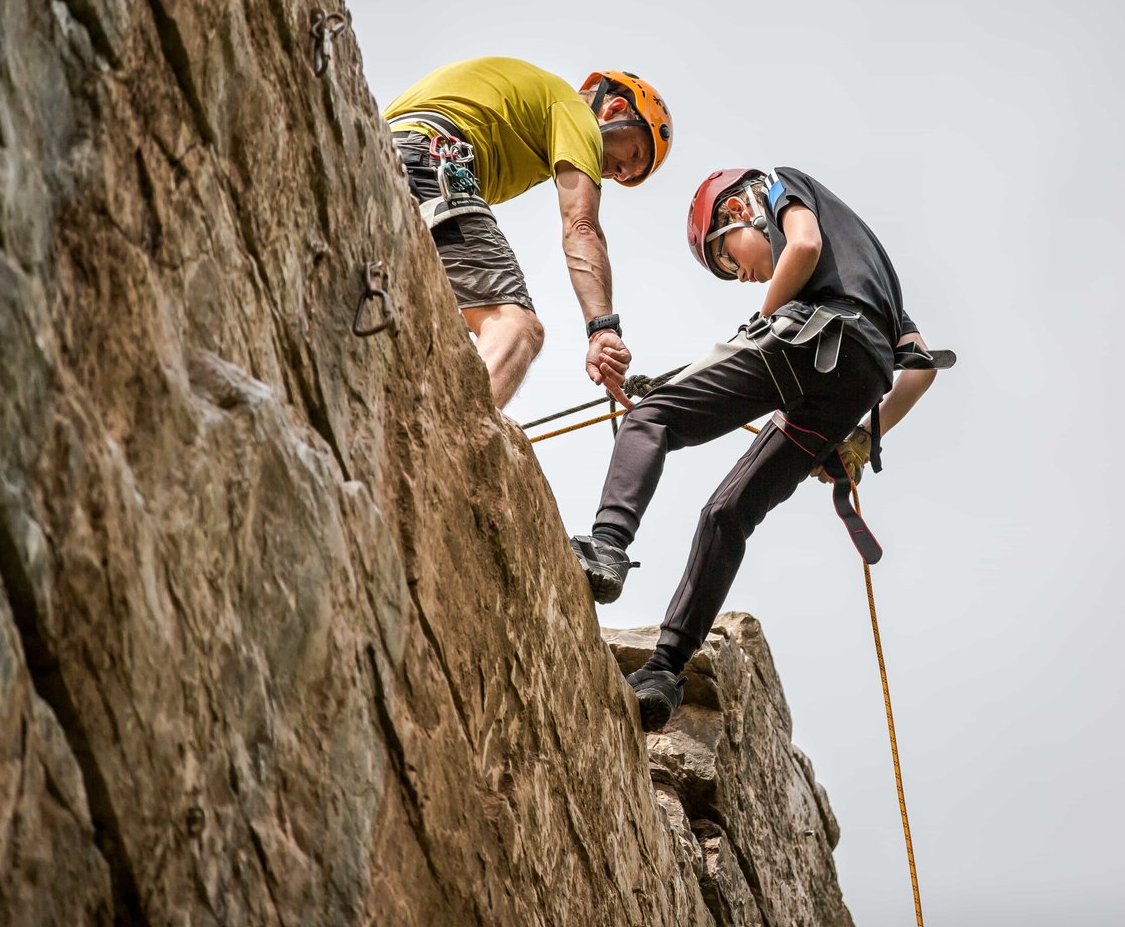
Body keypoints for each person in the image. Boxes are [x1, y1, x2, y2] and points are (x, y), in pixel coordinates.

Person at [570, 166, 951, 730]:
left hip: (808, 337)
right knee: (728, 514)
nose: (743, 277)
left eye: (729, 261)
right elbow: (919, 369)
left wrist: (763, 321)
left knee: (652, 418)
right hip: (851, 385)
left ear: (738, 211)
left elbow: (802, 243)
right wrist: (858, 441)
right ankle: (663, 673)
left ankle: (606, 547)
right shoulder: (879, 279)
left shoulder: (778, 186)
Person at [384, 58, 673, 409]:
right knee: (517, 328)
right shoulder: (573, 110)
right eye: (633, 154)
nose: (620, 173)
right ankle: (450, 439)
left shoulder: (524, 106)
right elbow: (581, 226)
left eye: (628, 175)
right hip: (431, 158)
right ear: (615, 108)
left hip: (388, 153)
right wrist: (603, 329)